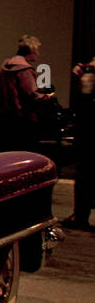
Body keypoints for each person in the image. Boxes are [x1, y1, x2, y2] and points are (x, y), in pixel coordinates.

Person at [0, 34, 55, 152]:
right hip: (24, 120)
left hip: (8, 118)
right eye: (37, 50)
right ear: (31, 51)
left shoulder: (7, 67)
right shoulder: (24, 70)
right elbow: (33, 95)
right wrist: (47, 97)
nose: (38, 53)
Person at [64, 57, 95, 231]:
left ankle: (81, 216)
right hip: (88, 138)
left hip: (87, 138)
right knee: (86, 178)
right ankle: (81, 216)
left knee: (84, 178)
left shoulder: (87, 100)